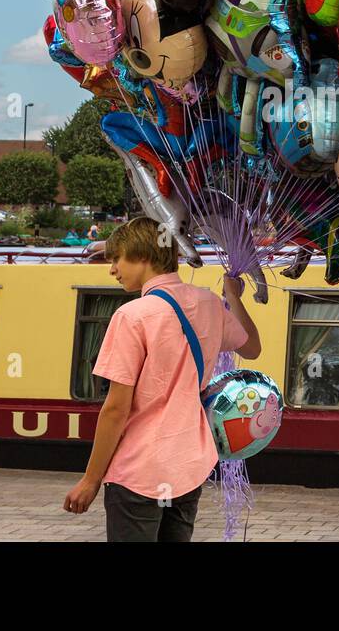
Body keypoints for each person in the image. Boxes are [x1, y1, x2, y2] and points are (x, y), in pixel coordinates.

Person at [63, 217, 261, 541]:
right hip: (187, 468)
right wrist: (233, 296)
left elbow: (115, 409)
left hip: (140, 472)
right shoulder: (209, 303)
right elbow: (251, 347)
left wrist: (90, 480)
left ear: (143, 256)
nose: (112, 269)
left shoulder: (132, 316)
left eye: (117, 258)